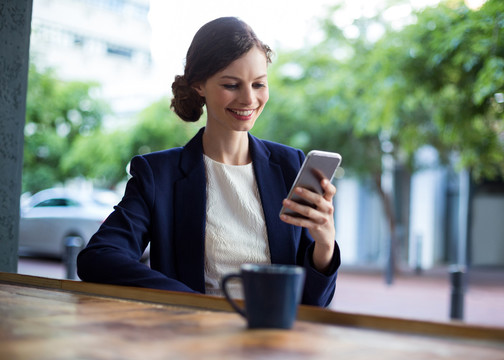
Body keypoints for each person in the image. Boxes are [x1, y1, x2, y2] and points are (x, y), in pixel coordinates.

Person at [77, 16, 340, 307]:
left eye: (259, 84)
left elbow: (314, 303)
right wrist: (196, 305)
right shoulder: (158, 175)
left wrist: (325, 244)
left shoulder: (290, 165)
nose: (248, 99)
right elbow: (98, 257)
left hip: (275, 341)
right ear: (199, 84)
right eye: (231, 85)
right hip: (197, 340)